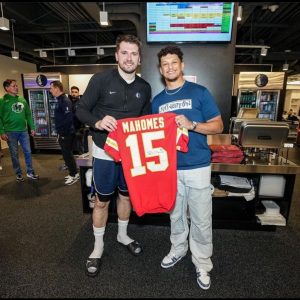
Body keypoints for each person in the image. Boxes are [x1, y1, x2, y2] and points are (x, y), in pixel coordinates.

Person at [76, 34, 152, 277]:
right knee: (101, 201)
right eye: (124, 53)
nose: (129, 58)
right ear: (117, 55)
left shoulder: (144, 87)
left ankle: (122, 234)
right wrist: (98, 122)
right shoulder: (100, 80)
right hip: (105, 153)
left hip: (131, 155)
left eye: (134, 54)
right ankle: (98, 246)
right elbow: (80, 109)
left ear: (139, 58)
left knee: (126, 197)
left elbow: (147, 121)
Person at [152, 45, 224, 290]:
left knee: (202, 218)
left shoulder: (200, 92)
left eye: (174, 62)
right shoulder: (158, 101)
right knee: (175, 215)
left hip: (197, 166)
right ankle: (178, 249)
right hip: (170, 169)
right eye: (165, 64)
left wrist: (192, 124)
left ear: (182, 65)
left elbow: (218, 126)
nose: (170, 67)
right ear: (161, 70)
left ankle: (202, 261)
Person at [0, 79, 39, 181]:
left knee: (28, 151)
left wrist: (32, 127)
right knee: (14, 154)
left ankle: (30, 172)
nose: (16, 87)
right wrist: (2, 131)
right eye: (14, 86)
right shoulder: (2, 101)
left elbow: (28, 114)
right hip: (10, 132)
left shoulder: (22, 99)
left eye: (16, 85)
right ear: (7, 88)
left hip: (23, 131)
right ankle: (18, 173)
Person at [50, 80, 79, 185]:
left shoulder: (65, 100)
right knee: (66, 154)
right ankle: (73, 172)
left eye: (51, 88)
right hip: (63, 133)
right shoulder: (59, 100)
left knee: (67, 154)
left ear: (57, 89)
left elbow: (68, 119)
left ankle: (74, 174)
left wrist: (62, 133)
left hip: (66, 133)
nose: (50, 90)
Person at [68, 86, 86, 155]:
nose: (74, 94)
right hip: (70, 128)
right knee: (69, 146)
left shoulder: (81, 103)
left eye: (76, 92)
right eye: (72, 92)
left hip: (79, 128)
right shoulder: (67, 102)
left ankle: (82, 164)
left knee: (80, 146)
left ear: (78, 93)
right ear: (70, 93)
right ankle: (70, 163)